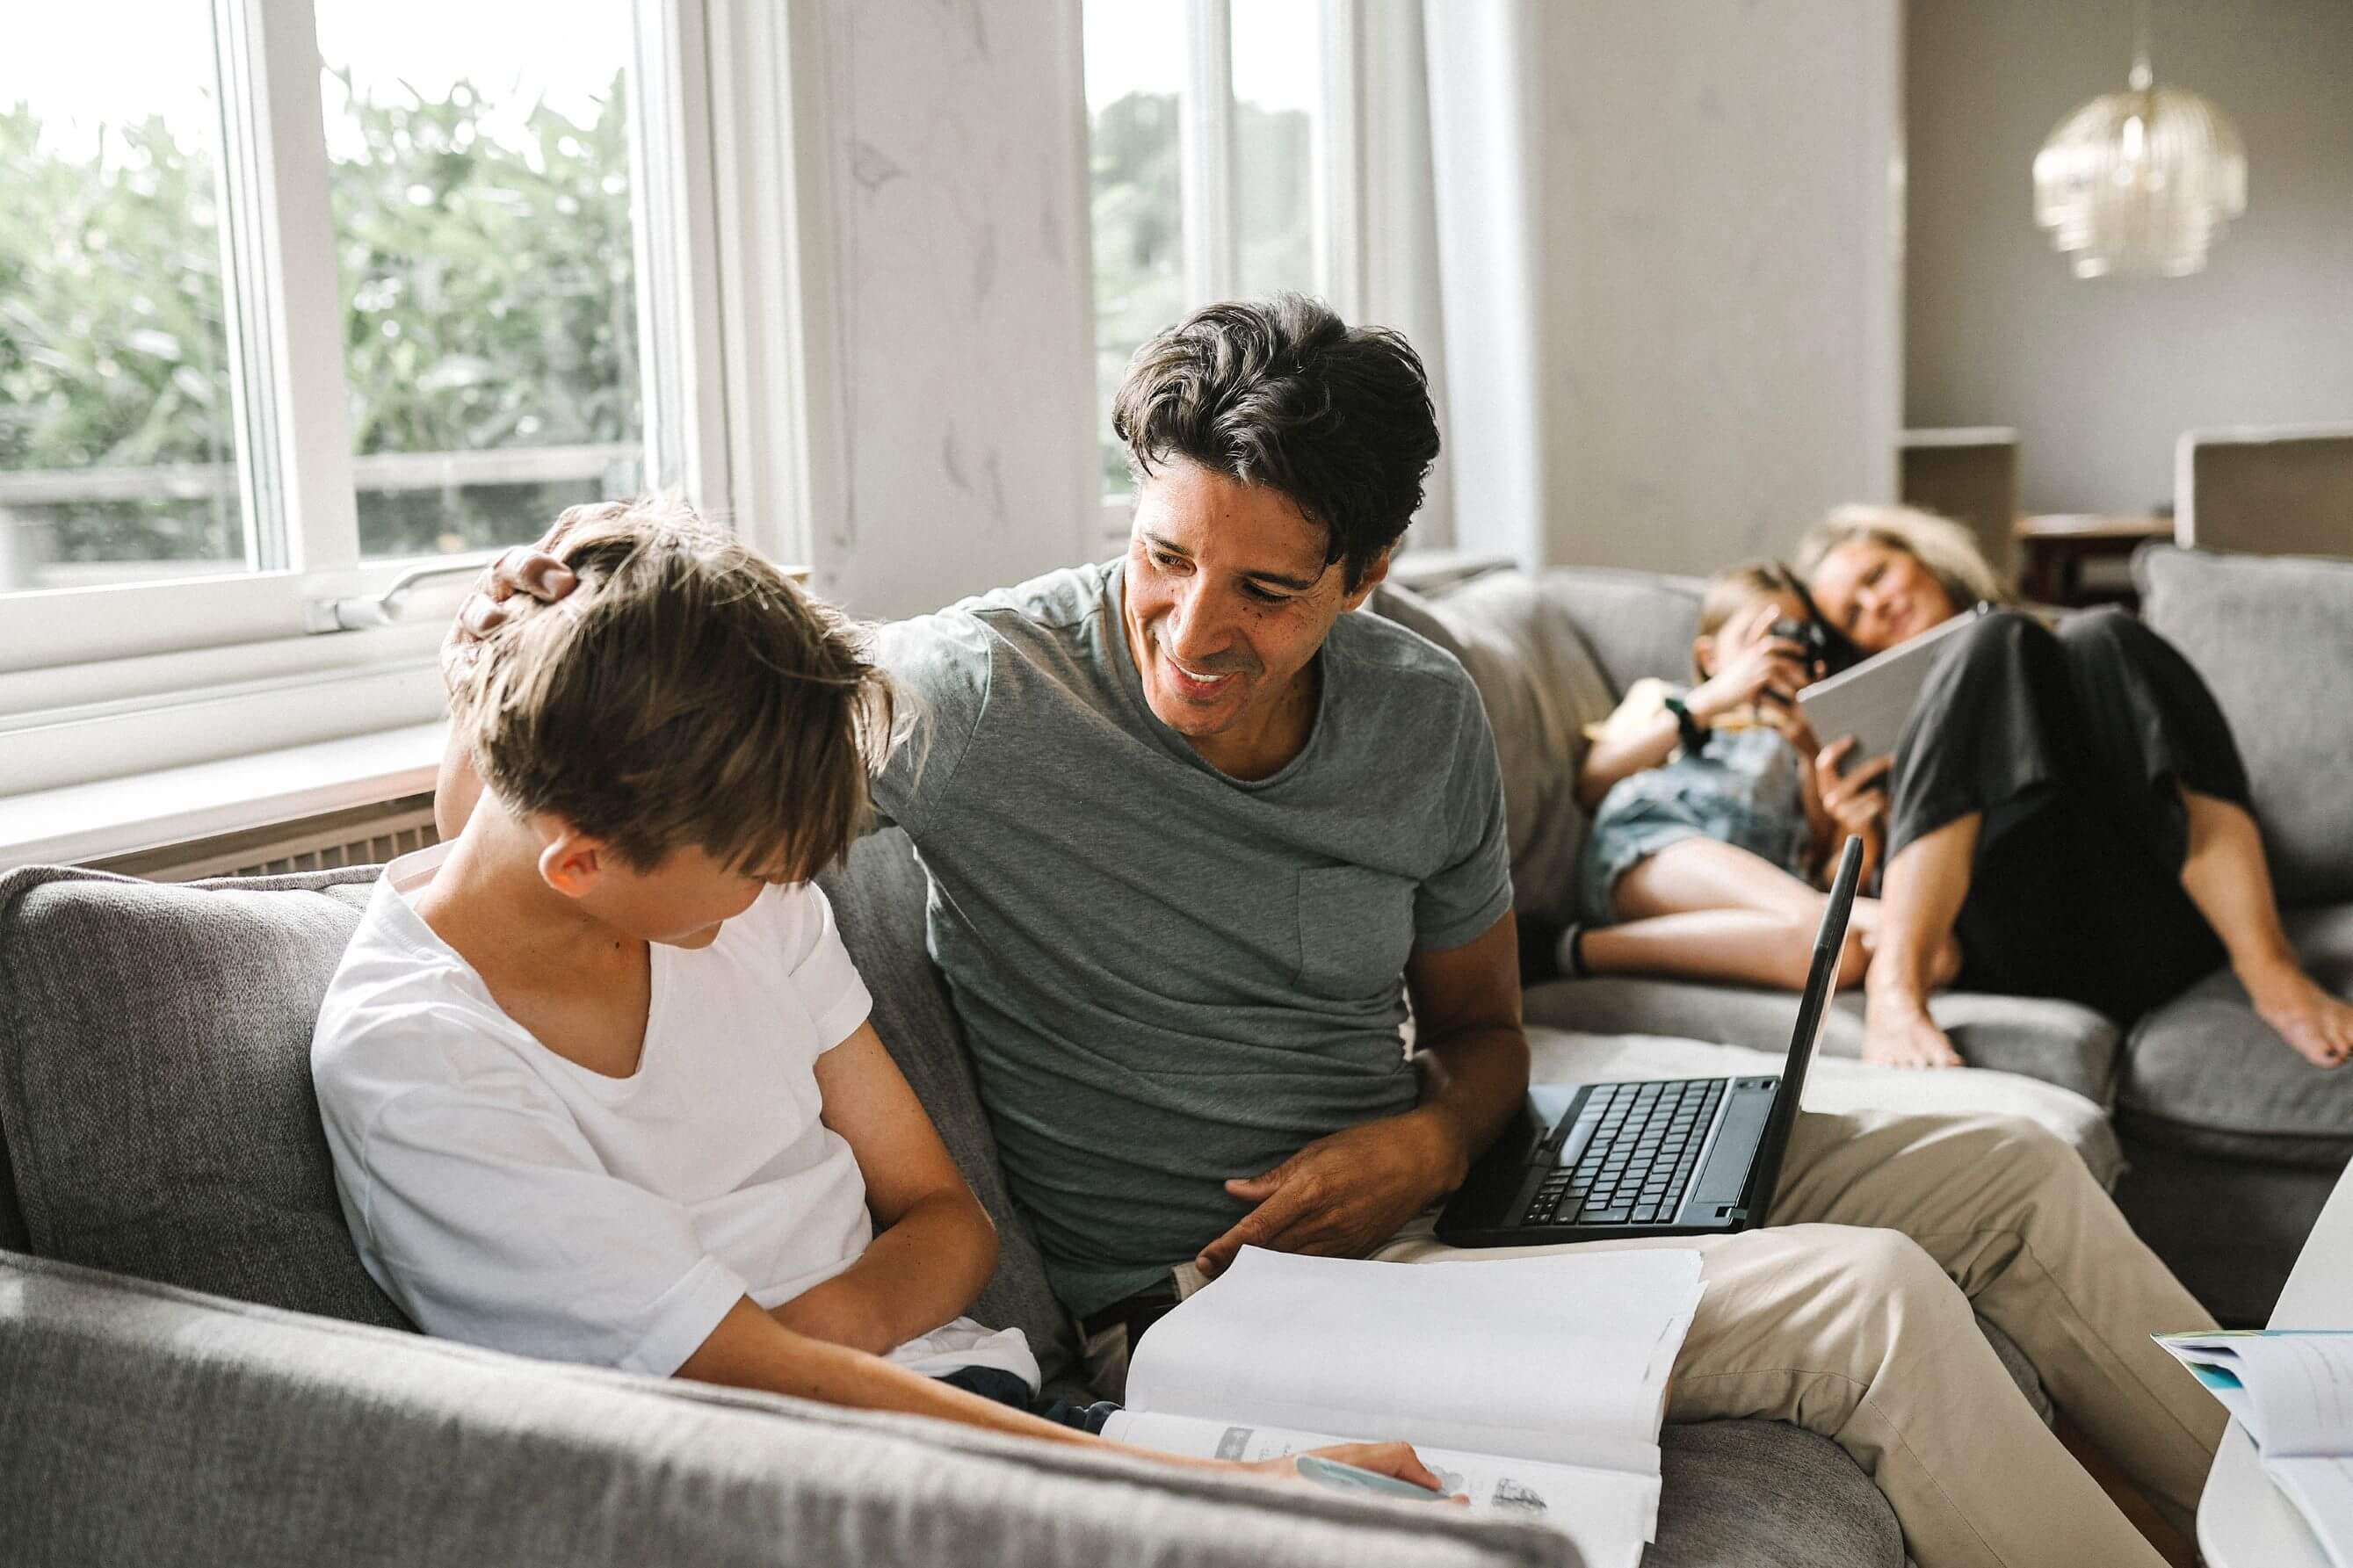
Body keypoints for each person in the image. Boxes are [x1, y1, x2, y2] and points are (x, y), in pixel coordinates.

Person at [464, 300, 2225, 1568]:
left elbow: (1486, 1030)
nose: (1190, 630)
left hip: (1444, 1192)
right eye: (1163, 557)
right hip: (1218, 1299)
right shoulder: (972, 695)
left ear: (1369, 579)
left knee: (2011, 1175)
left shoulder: (1421, 709)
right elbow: (697, 710)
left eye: (1264, 589)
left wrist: (1432, 1130)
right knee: (1873, 1303)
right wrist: (527, 631)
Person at [313, 499, 1446, 1494]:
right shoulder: (421, 1065)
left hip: (982, 1412)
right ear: (584, 862)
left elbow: (950, 1221)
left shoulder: (711, 896)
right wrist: (1233, 1491)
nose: (787, 884)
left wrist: (835, 1325)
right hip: (807, 1480)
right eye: (755, 864)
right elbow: (745, 1398)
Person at [1799, 503, 2353, 1073]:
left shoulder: (2067, 649)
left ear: (1926, 559)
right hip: (2016, 942)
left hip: (2151, 917)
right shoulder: (1874, 739)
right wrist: (1860, 831)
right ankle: (1895, 995)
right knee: (1991, 641)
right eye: (1853, 614)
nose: (1876, 604)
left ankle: (2271, 968)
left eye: (1876, 576)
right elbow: (1840, 903)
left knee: (2103, 632)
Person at [1535, 560, 1943, 993]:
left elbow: (1822, 865)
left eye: (1794, 639)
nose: (1774, 656)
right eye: (1761, 639)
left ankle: (1573, 949)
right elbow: (1591, 782)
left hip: (1772, 895)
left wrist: (1809, 744)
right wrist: (1713, 701)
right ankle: (1572, 949)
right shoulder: (1673, 701)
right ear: (1708, 657)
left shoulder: (1807, 741)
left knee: (1932, 951)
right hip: (1657, 848)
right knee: (1826, 935)